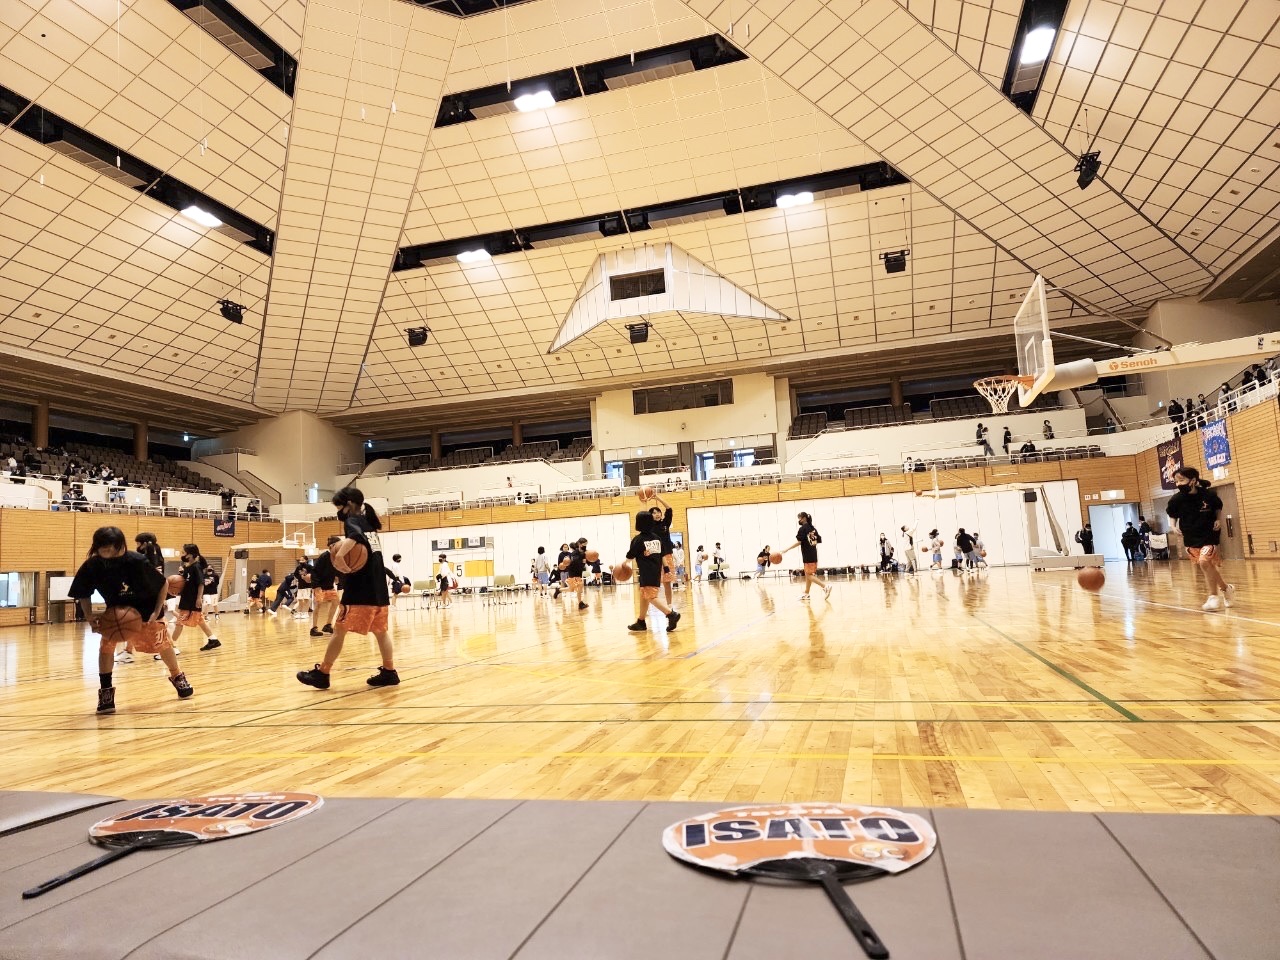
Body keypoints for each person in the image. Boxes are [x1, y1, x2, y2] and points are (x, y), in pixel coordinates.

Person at [69, 526, 192, 715]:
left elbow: (163, 584)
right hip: (116, 612)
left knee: (163, 644)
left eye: (112, 548)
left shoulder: (136, 561)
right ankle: (106, 691)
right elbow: (82, 592)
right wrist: (89, 616)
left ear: (120, 546)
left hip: (147, 609)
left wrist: (157, 611)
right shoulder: (93, 565)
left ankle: (177, 676)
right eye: (104, 548)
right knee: (106, 646)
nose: (108, 552)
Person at [297, 486, 398, 689]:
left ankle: (323, 673)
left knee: (339, 629)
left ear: (349, 504)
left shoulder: (353, 520)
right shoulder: (369, 523)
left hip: (361, 588)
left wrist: (340, 556)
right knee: (380, 631)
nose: (339, 512)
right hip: (378, 588)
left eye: (339, 507)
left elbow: (354, 537)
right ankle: (389, 671)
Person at [1166, 466, 1234, 612]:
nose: (1178, 484)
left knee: (1204, 562)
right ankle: (1226, 588)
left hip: (1209, 535)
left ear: (1193, 480)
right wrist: (1173, 526)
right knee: (1208, 566)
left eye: (1181, 480)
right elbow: (1172, 514)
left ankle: (1213, 596)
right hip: (1191, 537)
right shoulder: (1176, 499)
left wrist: (1218, 519)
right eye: (1176, 481)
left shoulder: (1208, 495)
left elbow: (1218, 507)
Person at [624, 512, 681, 632]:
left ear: (638, 523)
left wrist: (623, 565)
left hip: (646, 572)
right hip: (656, 571)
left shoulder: (638, 539)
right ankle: (641, 621)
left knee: (650, 596)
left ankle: (670, 614)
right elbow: (662, 555)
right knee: (644, 595)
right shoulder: (657, 538)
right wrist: (666, 569)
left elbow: (630, 555)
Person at [172, 544, 220, 651]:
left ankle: (171, 647)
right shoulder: (187, 567)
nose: (181, 554)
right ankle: (213, 639)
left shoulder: (196, 567)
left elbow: (201, 584)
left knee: (179, 622)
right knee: (200, 619)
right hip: (186, 598)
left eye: (183, 552)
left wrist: (199, 598)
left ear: (190, 554)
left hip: (191, 600)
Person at [782, 511, 831, 600]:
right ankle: (806, 593)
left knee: (808, 575)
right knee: (807, 573)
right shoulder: (813, 528)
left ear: (804, 518)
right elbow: (818, 540)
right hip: (813, 554)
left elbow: (799, 542)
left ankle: (825, 587)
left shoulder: (802, 529)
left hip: (807, 555)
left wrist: (787, 549)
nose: (799, 520)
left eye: (799, 518)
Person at [647, 491, 677, 607]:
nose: (657, 514)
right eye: (654, 513)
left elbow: (669, 509)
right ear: (650, 516)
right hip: (654, 558)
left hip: (667, 555)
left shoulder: (665, 523)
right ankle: (648, 606)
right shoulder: (649, 527)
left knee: (667, 582)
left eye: (658, 512)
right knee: (652, 584)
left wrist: (657, 498)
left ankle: (669, 606)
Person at [309, 535, 342, 637]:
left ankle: (328, 625)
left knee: (336, 602)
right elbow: (314, 571)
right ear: (332, 546)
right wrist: (316, 586)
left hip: (329, 586)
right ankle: (313, 628)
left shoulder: (337, 557)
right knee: (318, 605)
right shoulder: (324, 556)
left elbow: (336, 570)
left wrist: (337, 577)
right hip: (319, 586)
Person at [558, 537, 589, 611]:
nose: (585, 546)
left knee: (571, 589)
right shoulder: (575, 552)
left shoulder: (584, 552)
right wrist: (582, 561)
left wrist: (590, 560)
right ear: (580, 544)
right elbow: (574, 561)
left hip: (578, 571)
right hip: (573, 571)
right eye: (584, 544)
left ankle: (558, 590)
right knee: (580, 586)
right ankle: (580, 604)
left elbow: (587, 560)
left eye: (586, 544)